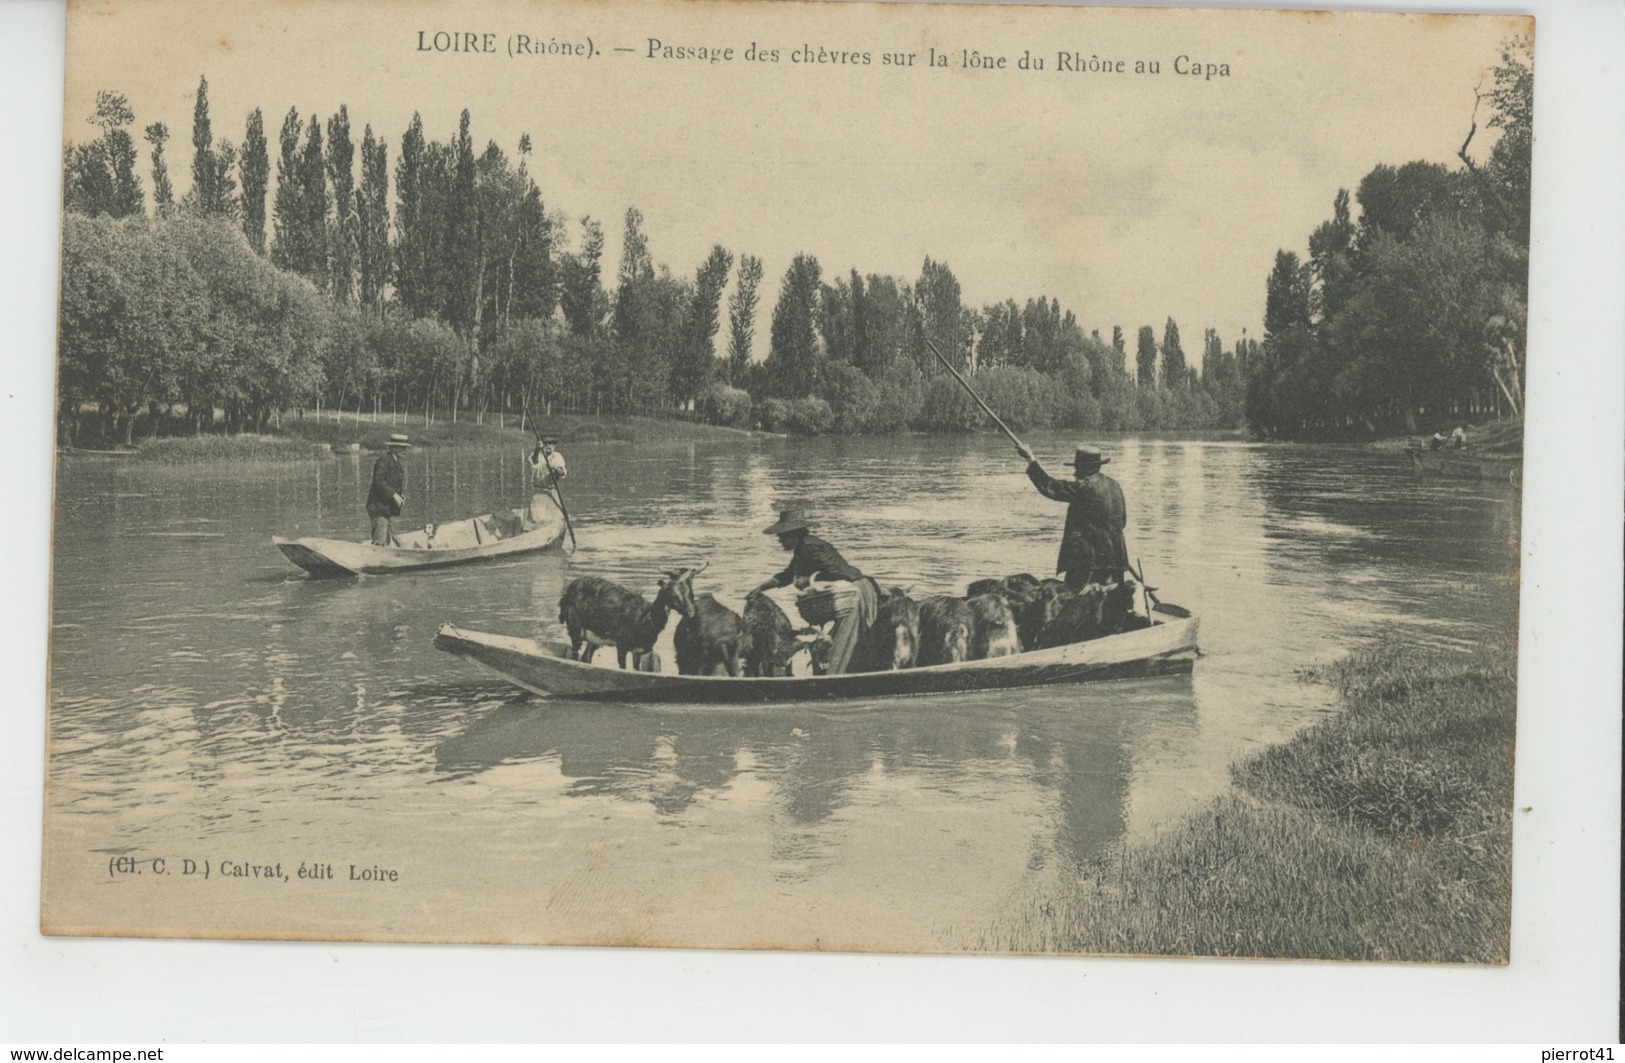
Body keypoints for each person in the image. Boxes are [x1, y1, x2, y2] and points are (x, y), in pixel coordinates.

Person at [749, 505, 879, 675]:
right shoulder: (804, 548)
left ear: (793, 535)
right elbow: (787, 576)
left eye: (782, 537)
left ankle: (836, 680)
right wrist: (761, 587)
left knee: (843, 644)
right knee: (846, 641)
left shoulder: (810, 548)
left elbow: (837, 573)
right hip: (855, 590)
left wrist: (813, 581)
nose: (780, 541)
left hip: (855, 592)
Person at [1015, 441, 1130, 590]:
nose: (1075, 473)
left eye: (1077, 468)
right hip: (1116, 561)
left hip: (1088, 563)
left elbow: (1050, 487)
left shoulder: (1084, 486)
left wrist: (1031, 459)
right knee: (1110, 607)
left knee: (1074, 604)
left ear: (1083, 468)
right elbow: (1123, 521)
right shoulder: (1115, 485)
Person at [366, 433, 410, 546]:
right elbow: (378, 481)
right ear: (393, 448)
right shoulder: (383, 461)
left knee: (387, 540)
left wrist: (399, 496)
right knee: (380, 542)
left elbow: (390, 484)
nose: (404, 450)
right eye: (402, 448)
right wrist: (394, 495)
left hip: (387, 509)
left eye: (405, 447)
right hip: (379, 508)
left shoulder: (396, 463)